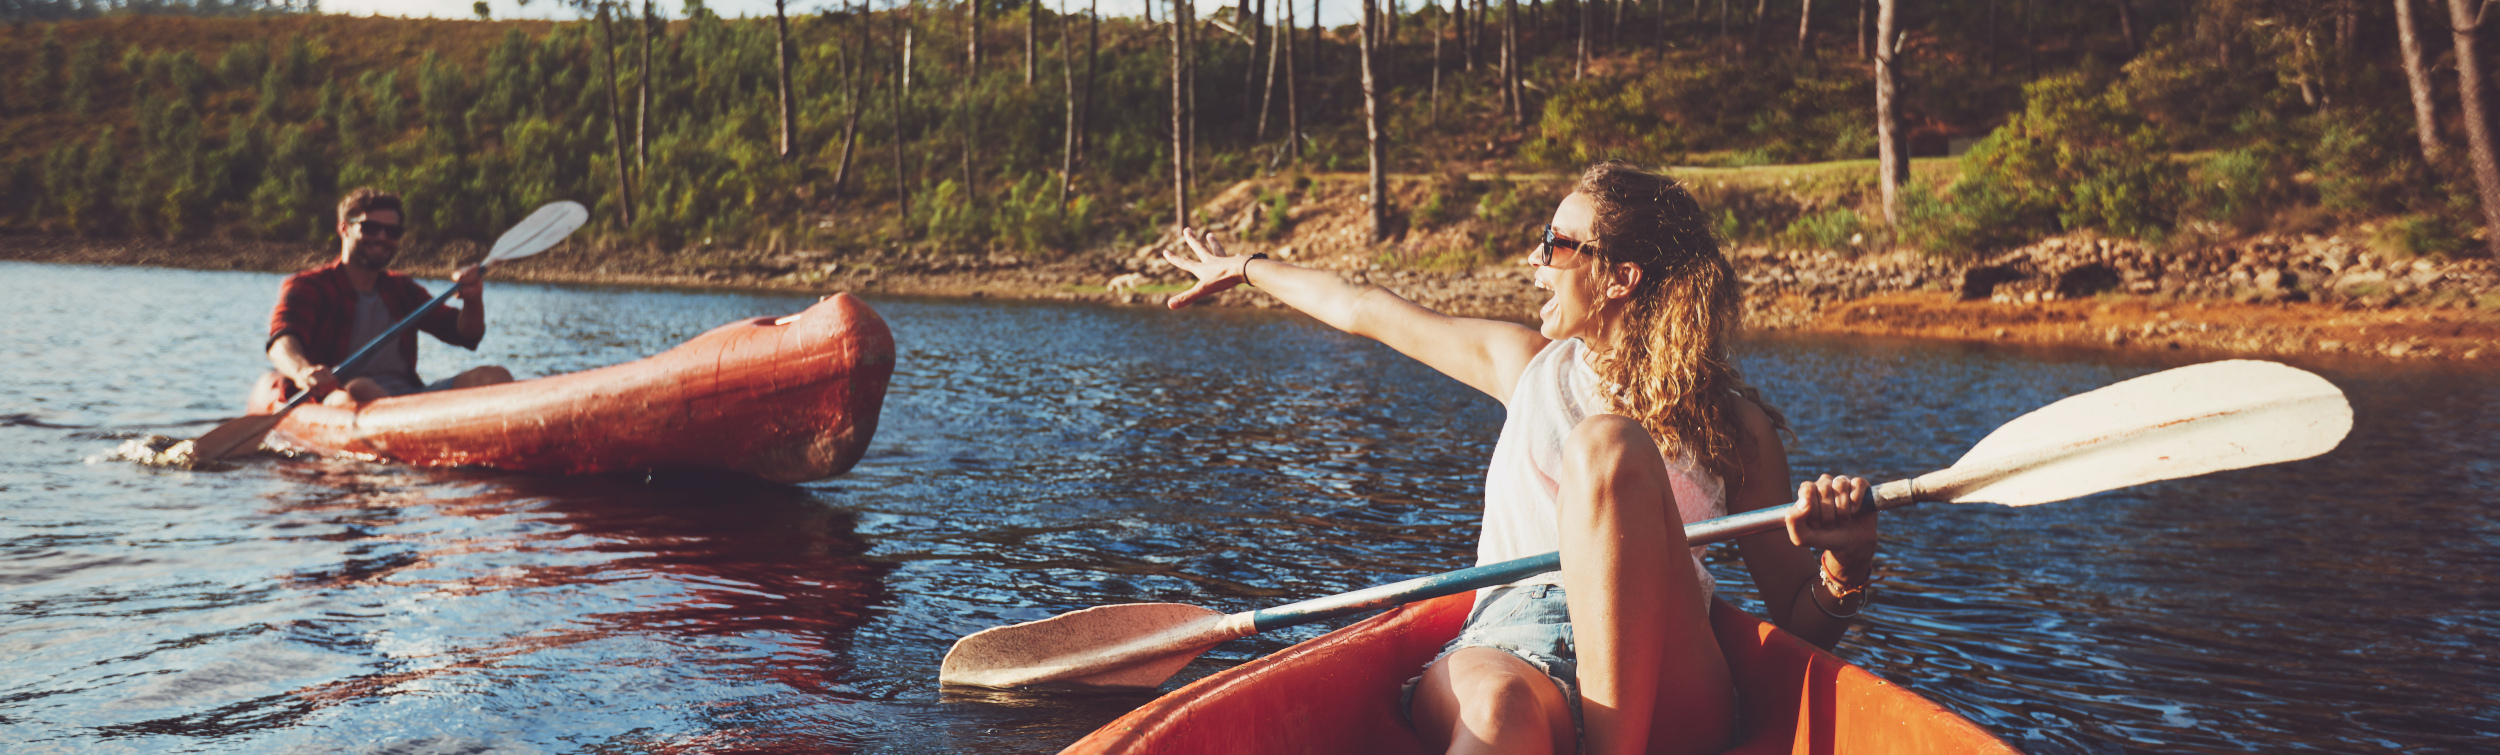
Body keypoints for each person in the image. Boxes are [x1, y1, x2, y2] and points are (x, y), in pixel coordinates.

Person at [1160, 161, 1880, 755]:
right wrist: (1246, 267)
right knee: (1499, 713)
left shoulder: (1737, 430)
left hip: (1666, 671)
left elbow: (1794, 623)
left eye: (1555, 243)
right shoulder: (1524, 363)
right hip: (1512, 639)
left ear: (1619, 277)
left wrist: (1847, 564)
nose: (1533, 261)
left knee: (1607, 442)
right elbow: (1364, 307)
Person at [263, 188, 513, 407]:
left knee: (495, 376)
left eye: (392, 232)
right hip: (336, 396)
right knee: (361, 387)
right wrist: (303, 371)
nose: (382, 237)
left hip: (406, 397)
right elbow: (281, 341)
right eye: (370, 228)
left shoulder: (401, 289)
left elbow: (466, 334)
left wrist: (473, 299)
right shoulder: (309, 286)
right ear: (344, 228)